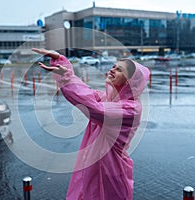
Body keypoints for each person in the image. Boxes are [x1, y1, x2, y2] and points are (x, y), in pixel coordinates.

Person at [32, 48, 150, 200]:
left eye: (119, 70)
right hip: (97, 166)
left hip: (111, 172)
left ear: (129, 82)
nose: (112, 69)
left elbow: (93, 107)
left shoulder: (130, 109)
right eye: (114, 66)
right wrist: (62, 62)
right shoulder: (109, 99)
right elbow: (85, 92)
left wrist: (66, 76)